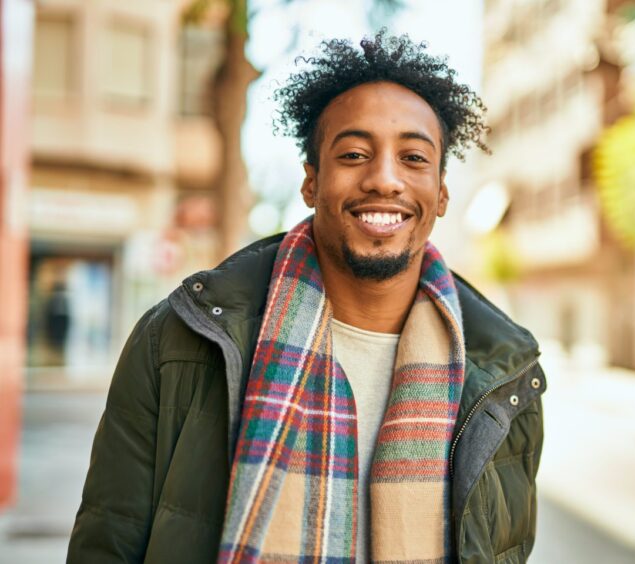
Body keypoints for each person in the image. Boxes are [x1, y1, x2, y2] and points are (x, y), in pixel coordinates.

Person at [68, 30, 545, 564]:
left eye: (413, 157)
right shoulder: (178, 340)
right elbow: (106, 542)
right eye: (355, 153)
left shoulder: (505, 378)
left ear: (441, 194)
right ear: (311, 183)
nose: (384, 178)